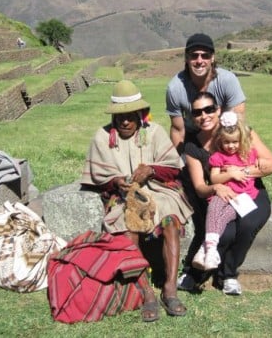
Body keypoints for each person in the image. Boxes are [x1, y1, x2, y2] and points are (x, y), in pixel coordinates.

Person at [80, 80, 193, 322]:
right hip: (124, 197)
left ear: (141, 114)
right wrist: (116, 181)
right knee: (127, 228)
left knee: (170, 222)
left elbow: (173, 169)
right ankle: (147, 293)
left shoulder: (154, 132)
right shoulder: (102, 137)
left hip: (158, 192)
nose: (125, 121)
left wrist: (151, 170)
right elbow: (97, 179)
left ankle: (170, 288)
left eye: (131, 116)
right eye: (120, 116)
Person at [177, 92, 272, 295]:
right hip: (219, 195)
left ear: (218, 111)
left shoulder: (242, 133)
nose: (204, 116)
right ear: (192, 117)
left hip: (250, 191)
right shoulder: (192, 146)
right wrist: (216, 186)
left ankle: (228, 274)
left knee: (248, 224)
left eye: (208, 110)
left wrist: (243, 172)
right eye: (197, 112)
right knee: (226, 232)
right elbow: (200, 186)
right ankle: (196, 274)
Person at [191, 111, 263, 271]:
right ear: (220, 141)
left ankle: (205, 249)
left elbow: (260, 166)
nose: (231, 146)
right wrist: (230, 174)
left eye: (235, 142)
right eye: (226, 142)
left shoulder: (249, 154)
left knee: (223, 217)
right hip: (223, 193)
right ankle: (210, 251)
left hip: (242, 198)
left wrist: (245, 167)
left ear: (242, 140)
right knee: (214, 209)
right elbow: (214, 179)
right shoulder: (219, 157)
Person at [166, 33, 246, 153]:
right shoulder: (175, 88)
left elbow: (238, 119)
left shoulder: (227, 80)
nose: (199, 61)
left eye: (205, 56)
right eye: (194, 56)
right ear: (187, 58)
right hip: (193, 138)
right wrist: (180, 162)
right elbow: (178, 129)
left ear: (212, 58)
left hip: (225, 135)